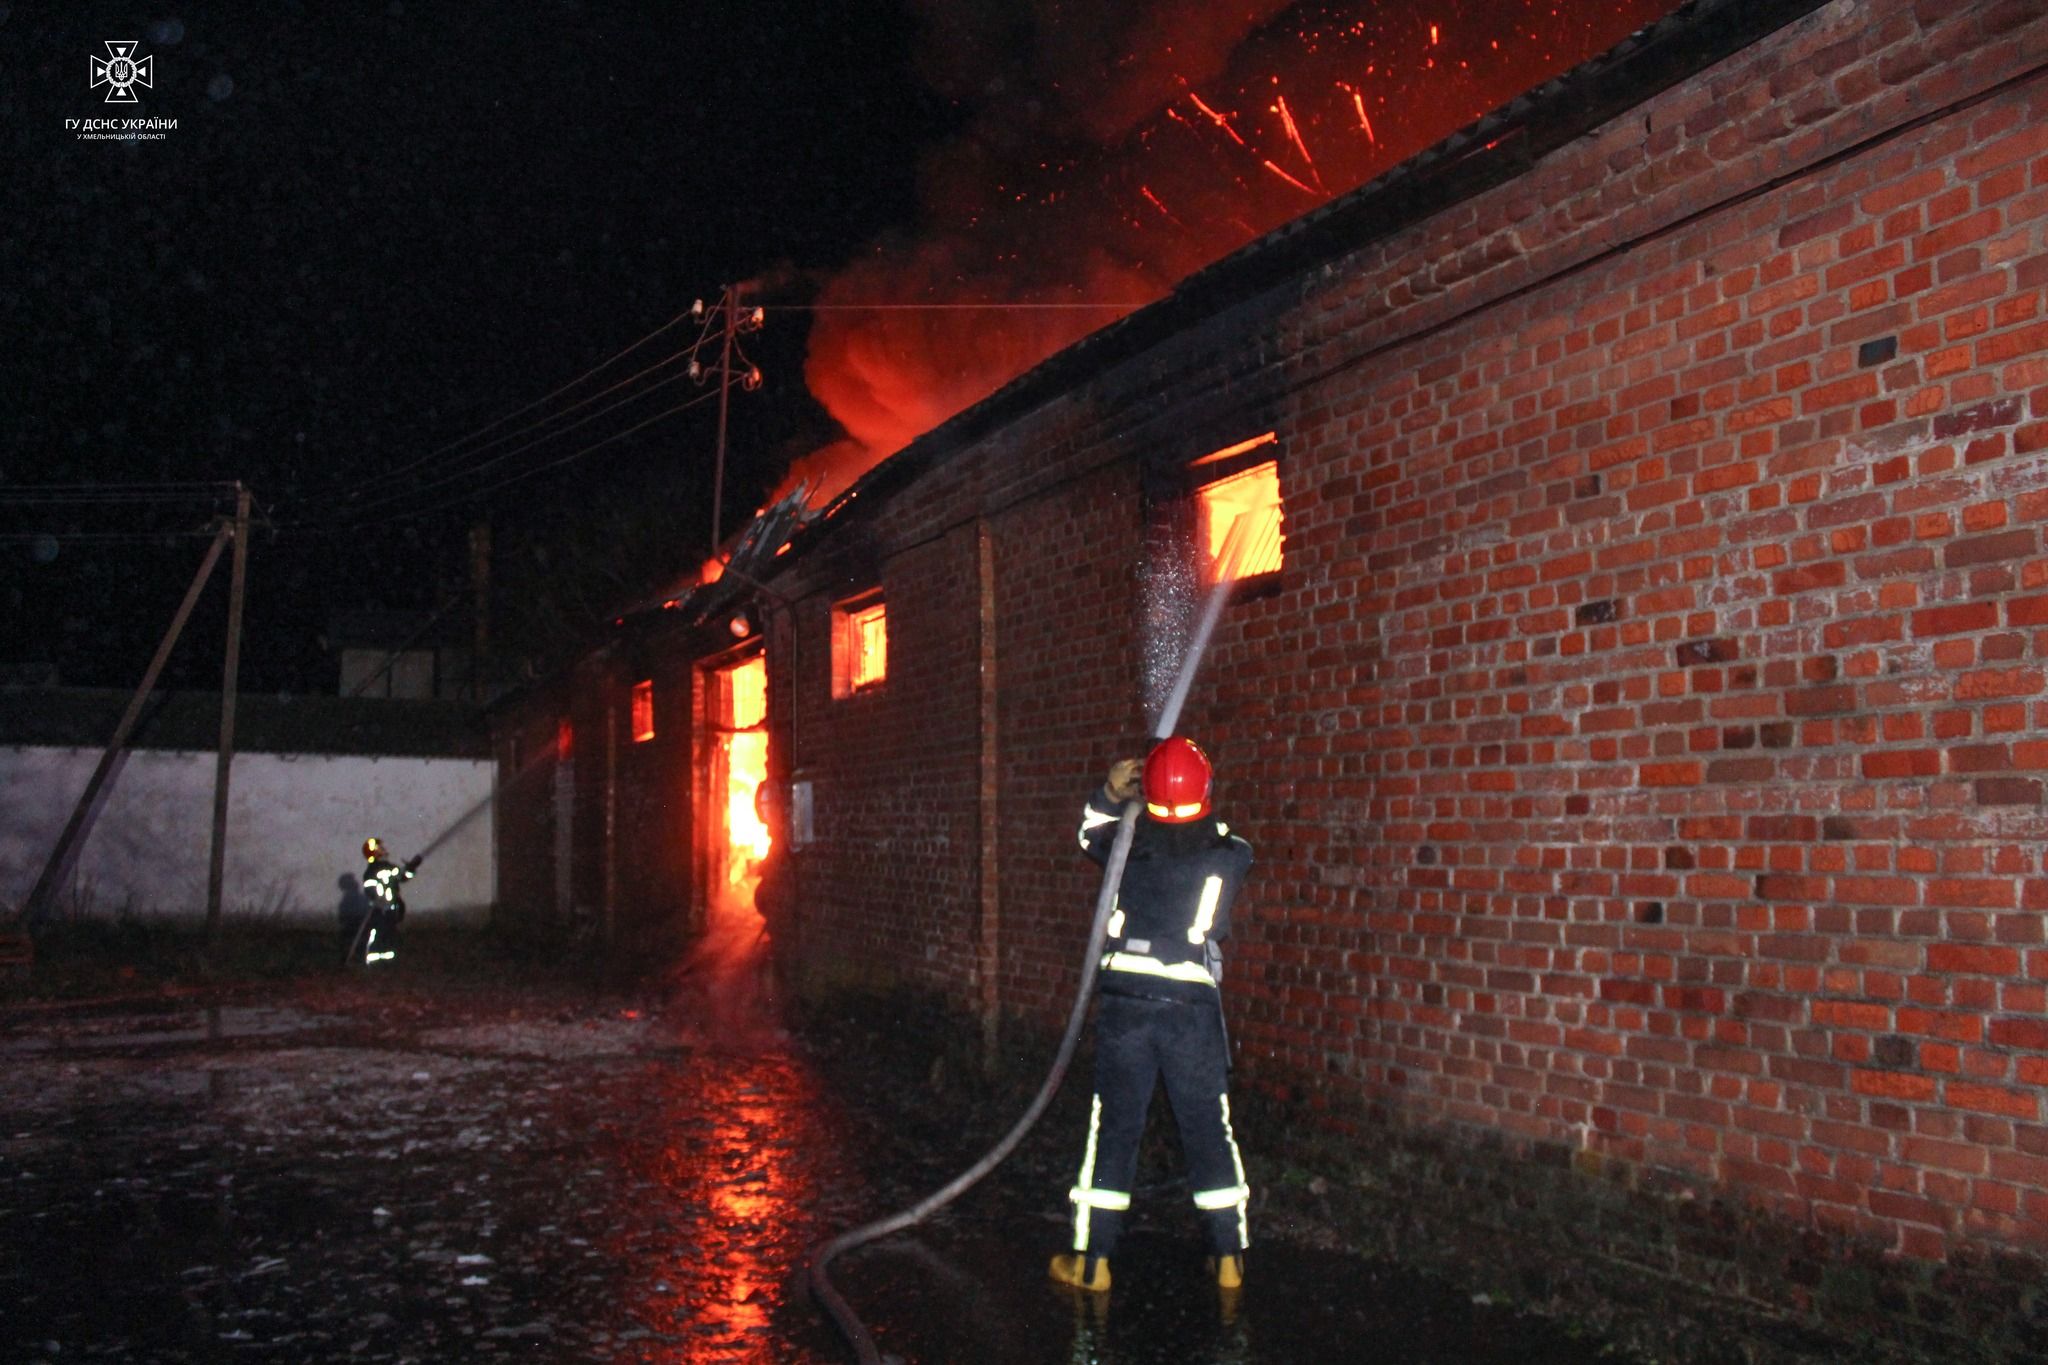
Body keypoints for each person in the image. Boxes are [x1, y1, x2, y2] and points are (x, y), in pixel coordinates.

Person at [1051, 736, 1254, 1295]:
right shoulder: (1232, 853)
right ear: (1206, 789)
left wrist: (1111, 794)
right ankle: (1228, 1257)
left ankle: (1094, 1263)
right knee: (1209, 1129)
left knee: (1114, 1127)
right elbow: (1218, 838)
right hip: (1190, 1006)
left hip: (1127, 1003)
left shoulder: (1125, 843)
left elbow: (1089, 834)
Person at [354, 836, 418, 966]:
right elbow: (369, 888)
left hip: (391, 907)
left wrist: (411, 868)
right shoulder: (371, 871)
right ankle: (371, 956)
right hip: (379, 908)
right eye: (380, 848)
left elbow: (403, 877)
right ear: (374, 852)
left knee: (390, 930)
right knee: (377, 930)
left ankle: (388, 957)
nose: (384, 849)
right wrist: (376, 896)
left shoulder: (390, 867)